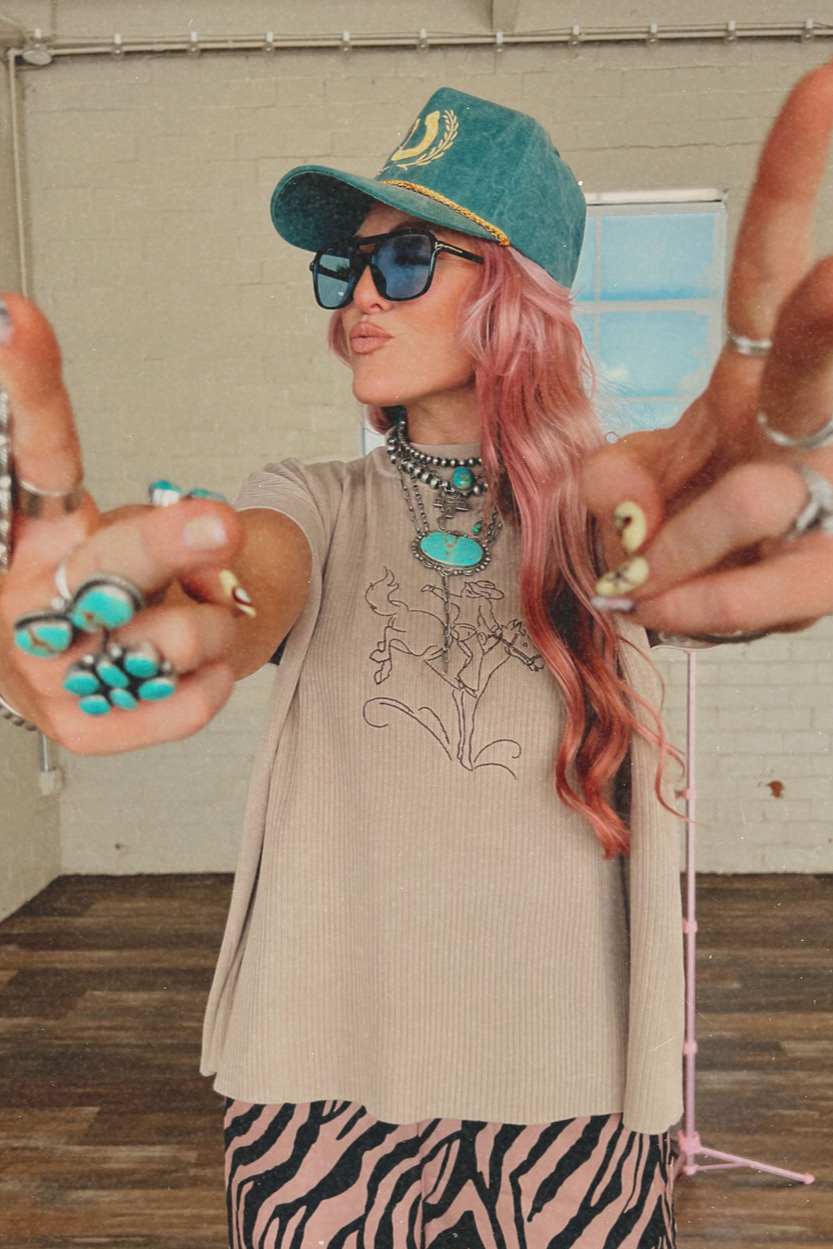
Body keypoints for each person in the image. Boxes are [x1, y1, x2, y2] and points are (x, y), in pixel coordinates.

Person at [1, 66, 832, 1249]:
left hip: (571, 1091)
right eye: (344, 266)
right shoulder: (312, 500)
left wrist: (746, 511)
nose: (357, 298)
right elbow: (243, 578)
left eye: (403, 261)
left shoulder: (606, 506)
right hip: (321, 1085)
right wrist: (144, 607)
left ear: (515, 290)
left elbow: (668, 546)